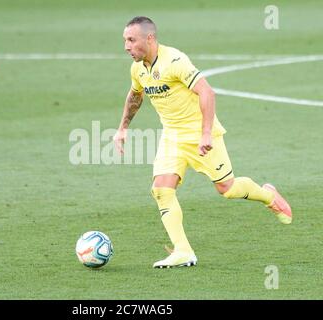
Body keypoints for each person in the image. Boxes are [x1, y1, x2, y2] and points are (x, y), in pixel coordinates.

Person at [114, 16, 292, 269]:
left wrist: (206, 133)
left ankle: (268, 196)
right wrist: (122, 128)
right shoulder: (138, 69)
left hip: (199, 135)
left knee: (227, 189)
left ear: (149, 38)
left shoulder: (174, 61)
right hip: (172, 136)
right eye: (125, 41)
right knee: (161, 190)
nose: (126, 46)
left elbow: (207, 92)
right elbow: (135, 94)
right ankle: (183, 251)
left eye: (131, 40)